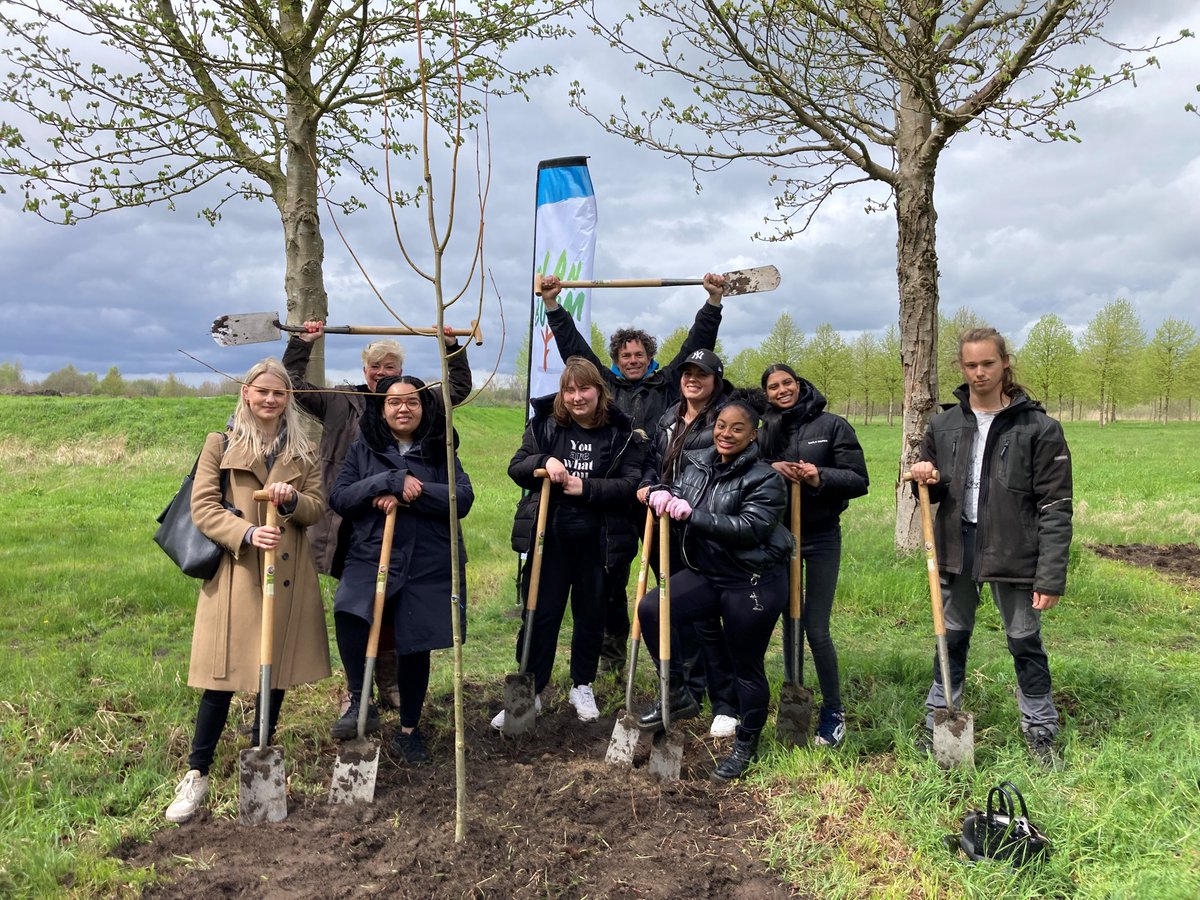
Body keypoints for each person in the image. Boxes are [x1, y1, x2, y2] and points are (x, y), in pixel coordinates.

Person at [165, 358, 330, 824]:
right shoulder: (220, 443)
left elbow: (317, 508)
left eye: (279, 393)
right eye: (262, 392)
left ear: (288, 399)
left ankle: (261, 750)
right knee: (222, 677)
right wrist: (245, 533)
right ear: (246, 393)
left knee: (271, 672)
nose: (270, 400)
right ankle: (196, 774)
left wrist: (292, 501)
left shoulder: (305, 450)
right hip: (237, 574)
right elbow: (203, 507)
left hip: (287, 575)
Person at [538, 272, 726, 673]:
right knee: (609, 580)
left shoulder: (668, 385)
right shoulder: (603, 386)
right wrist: (553, 305)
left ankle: (676, 656)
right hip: (613, 498)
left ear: (650, 356)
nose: (633, 360)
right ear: (615, 361)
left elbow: (697, 346)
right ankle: (612, 653)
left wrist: (712, 304)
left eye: (639, 354)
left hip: (658, 495)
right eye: (626, 356)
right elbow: (574, 347)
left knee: (670, 577)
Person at [284, 321, 471, 711]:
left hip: (403, 521)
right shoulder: (340, 400)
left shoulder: (415, 401)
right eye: (376, 367)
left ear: (400, 373)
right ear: (365, 369)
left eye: (390, 368)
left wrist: (452, 346)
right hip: (347, 520)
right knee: (357, 605)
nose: (383, 374)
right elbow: (295, 387)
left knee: (396, 604)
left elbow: (456, 390)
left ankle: (388, 681)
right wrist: (302, 344)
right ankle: (359, 689)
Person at [909, 327, 1072, 767]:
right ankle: (937, 720)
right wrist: (926, 476)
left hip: (1014, 550)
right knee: (951, 637)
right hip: (956, 548)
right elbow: (933, 492)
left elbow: (1056, 507)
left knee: (1024, 640)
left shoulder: (1038, 428)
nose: (979, 373)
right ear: (961, 368)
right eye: (970, 365)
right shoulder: (943, 425)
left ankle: (1039, 729)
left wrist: (1050, 574)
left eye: (987, 363)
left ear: (1004, 364)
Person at [638, 396, 792, 782]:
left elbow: (750, 529)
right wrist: (661, 492)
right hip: (709, 572)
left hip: (750, 580)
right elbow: (675, 489)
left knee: (746, 666)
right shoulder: (697, 464)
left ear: (753, 434)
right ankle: (676, 693)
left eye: (737, 428)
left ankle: (746, 743)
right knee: (653, 609)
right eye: (722, 425)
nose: (726, 434)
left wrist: (695, 516)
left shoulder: (766, 478)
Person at [492, 357, 646, 730]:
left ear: (599, 392)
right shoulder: (545, 426)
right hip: (551, 539)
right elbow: (517, 468)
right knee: (540, 613)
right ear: (562, 394)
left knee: (591, 614)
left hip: (599, 541)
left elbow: (630, 484)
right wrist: (544, 460)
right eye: (570, 390)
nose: (577, 397)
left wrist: (586, 487)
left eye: (584, 389)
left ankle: (582, 684)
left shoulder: (619, 432)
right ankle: (532, 689)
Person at [328, 375, 472, 764]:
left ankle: (410, 729)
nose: (403, 408)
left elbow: (462, 498)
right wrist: (387, 481)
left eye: (412, 402)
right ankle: (360, 700)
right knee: (349, 609)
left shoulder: (440, 449)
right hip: (373, 553)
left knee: (415, 640)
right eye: (394, 402)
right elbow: (340, 497)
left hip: (429, 558)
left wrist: (416, 492)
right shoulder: (364, 447)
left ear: (425, 409)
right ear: (382, 408)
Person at [758, 363, 869, 748]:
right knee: (788, 621)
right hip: (778, 539)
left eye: (787, 382)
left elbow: (858, 480)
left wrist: (819, 476)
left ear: (800, 384)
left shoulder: (832, 425)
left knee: (816, 628)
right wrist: (772, 467)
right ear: (767, 394)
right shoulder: (765, 431)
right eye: (773, 386)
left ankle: (833, 712)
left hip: (821, 537)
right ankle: (793, 696)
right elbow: (746, 469)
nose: (782, 390)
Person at [637, 348, 739, 738]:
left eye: (702, 373)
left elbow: (714, 468)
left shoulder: (722, 419)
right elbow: (653, 460)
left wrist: (675, 495)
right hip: (665, 526)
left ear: (716, 380)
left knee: (706, 620)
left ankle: (725, 704)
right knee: (672, 614)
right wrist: (648, 486)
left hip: (701, 528)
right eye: (687, 373)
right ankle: (683, 691)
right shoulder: (669, 415)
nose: (692, 379)